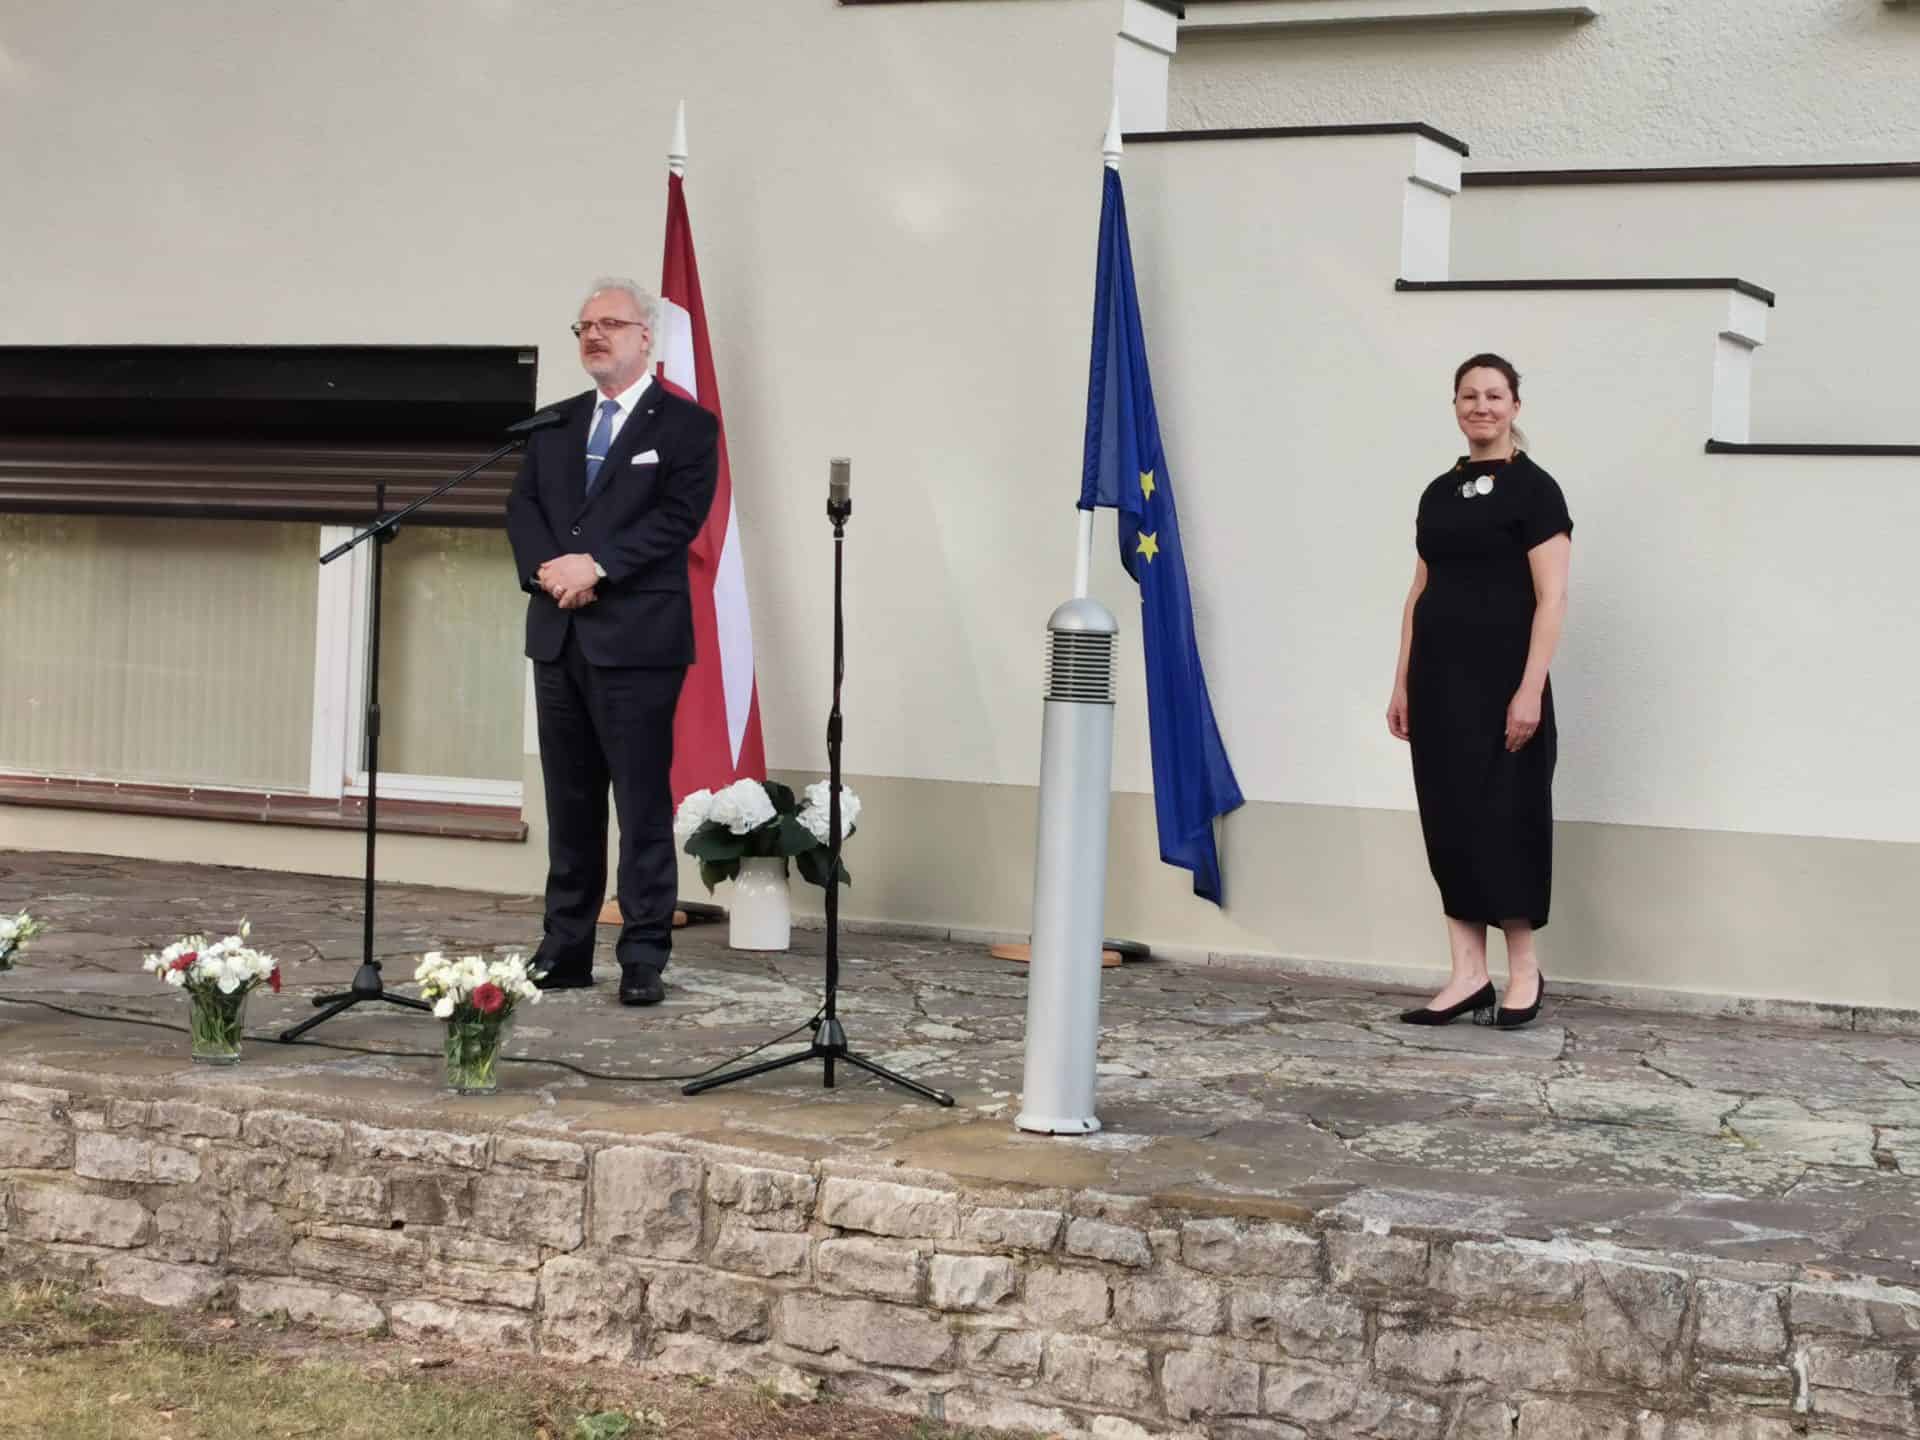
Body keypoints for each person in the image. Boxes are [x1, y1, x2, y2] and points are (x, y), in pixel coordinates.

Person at [506, 277, 718, 1006]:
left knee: (639, 802)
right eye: (585, 326)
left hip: (638, 641)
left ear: (646, 338)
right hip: (560, 635)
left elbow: (677, 521)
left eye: (612, 324)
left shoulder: (687, 427)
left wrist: (596, 566)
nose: (595, 336)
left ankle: (643, 955)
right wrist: (552, 575)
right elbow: (525, 507)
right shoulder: (554, 423)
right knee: (569, 804)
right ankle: (564, 949)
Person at [1387, 353, 1572, 1030]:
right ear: (1456, 407)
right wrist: (1402, 679)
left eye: (1495, 395)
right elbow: (1420, 590)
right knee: (1450, 819)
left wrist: (1530, 690)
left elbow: (1551, 599)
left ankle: (1524, 970)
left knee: (1507, 819)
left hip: (1504, 686)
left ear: (1515, 407)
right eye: (1469, 396)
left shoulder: (1537, 491)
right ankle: (1468, 976)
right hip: (1439, 686)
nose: (1482, 406)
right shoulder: (1438, 493)